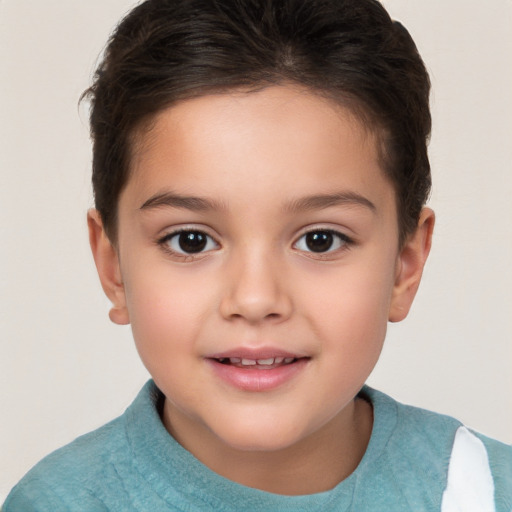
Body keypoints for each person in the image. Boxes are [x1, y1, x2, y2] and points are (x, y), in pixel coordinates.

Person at [4, 0, 511, 510]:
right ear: (113, 267)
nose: (254, 299)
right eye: (191, 240)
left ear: (406, 264)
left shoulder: (488, 491)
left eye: (320, 239)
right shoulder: (56, 502)